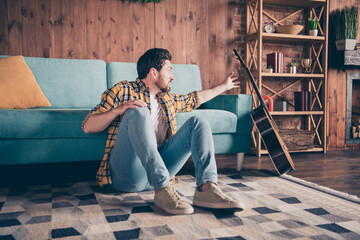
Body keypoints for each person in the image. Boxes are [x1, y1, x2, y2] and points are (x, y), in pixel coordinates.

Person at [82, 48, 244, 215]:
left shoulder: (167, 99)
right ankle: (162, 188)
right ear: (154, 72)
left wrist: (224, 86)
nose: (172, 76)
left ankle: (206, 188)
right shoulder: (123, 90)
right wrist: (119, 110)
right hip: (129, 176)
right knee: (138, 111)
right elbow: (88, 126)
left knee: (198, 123)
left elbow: (196, 98)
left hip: (160, 173)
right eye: (169, 70)